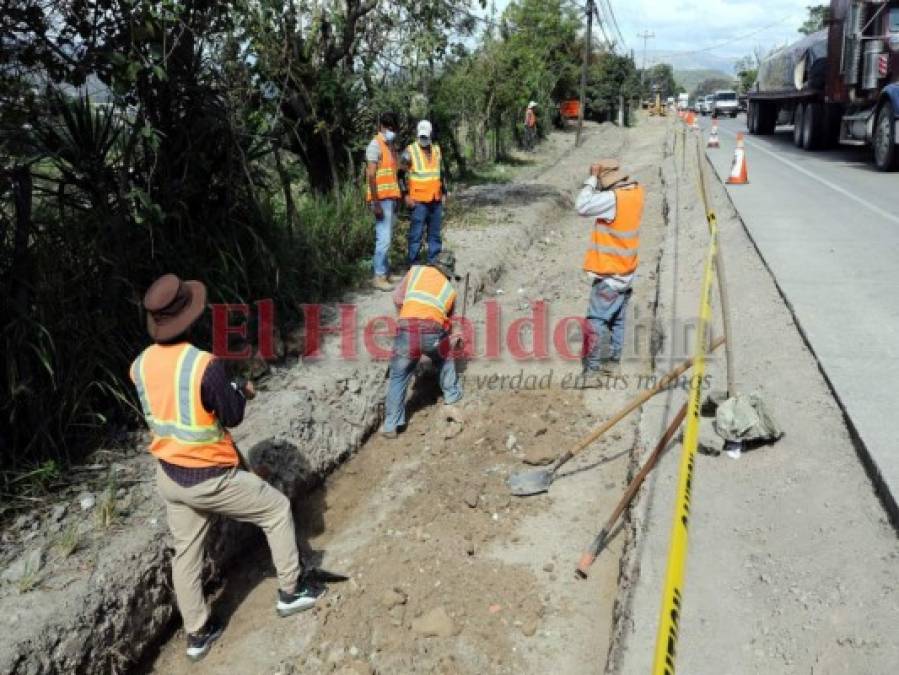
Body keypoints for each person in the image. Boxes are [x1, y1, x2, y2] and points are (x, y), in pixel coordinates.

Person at [130, 274, 323, 662]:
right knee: (275, 509)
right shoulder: (204, 364)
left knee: (186, 553)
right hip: (210, 477)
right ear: (191, 317)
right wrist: (240, 391)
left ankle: (197, 633)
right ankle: (291, 590)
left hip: (169, 475)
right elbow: (231, 415)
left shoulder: (139, 365)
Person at [574, 160, 644, 383]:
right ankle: (613, 365)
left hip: (610, 273)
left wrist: (591, 180)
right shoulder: (636, 192)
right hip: (627, 271)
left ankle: (592, 371)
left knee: (596, 320)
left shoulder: (613, 199)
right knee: (618, 320)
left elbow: (582, 206)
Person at [381, 250, 464, 438]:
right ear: (448, 273)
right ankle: (452, 397)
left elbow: (396, 298)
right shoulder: (450, 291)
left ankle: (391, 425)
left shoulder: (416, 272)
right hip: (432, 333)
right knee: (445, 357)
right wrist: (454, 339)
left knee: (398, 376)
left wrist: (406, 317)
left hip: (405, 331)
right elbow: (447, 324)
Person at [401, 119, 446, 266]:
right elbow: (399, 175)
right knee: (416, 234)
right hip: (418, 201)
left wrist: (444, 192)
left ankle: (434, 262)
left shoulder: (437, 150)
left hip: (435, 200)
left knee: (434, 234)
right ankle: (413, 263)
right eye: (421, 136)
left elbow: (441, 173)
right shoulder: (410, 151)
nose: (424, 139)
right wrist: (405, 195)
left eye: (426, 136)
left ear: (431, 134)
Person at [366, 112, 401, 292]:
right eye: (388, 127)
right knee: (383, 239)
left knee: (386, 238)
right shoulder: (375, 145)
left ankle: (385, 272)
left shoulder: (390, 146)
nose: (390, 131)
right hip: (381, 199)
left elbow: (394, 172)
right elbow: (371, 175)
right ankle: (378, 276)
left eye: (393, 128)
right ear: (381, 127)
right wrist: (376, 202)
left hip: (391, 198)